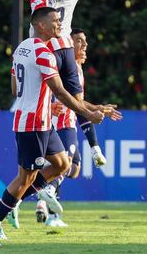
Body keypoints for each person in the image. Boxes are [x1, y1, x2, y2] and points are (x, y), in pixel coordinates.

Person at [0, 7, 116, 241]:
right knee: (25, 178)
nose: (60, 24)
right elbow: (59, 91)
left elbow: (15, 89)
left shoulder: (21, 48)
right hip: (32, 125)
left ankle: (15, 200)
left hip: (43, 122)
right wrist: (88, 112)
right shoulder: (43, 53)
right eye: (55, 20)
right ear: (41, 25)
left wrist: (39, 97)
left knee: (62, 164)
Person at [28, 0, 107, 169]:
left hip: (50, 50)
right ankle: (93, 143)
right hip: (67, 51)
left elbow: (41, 27)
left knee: (46, 95)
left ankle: (41, 148)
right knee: (76, 100)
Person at [39, 27, 106, 226]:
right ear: (69, 45)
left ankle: (49, 209)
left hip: (65, 123)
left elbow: (80, 104)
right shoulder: (68, 68)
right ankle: (46, 193)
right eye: (79, 41)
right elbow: (71, 102)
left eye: (85, 41)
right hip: (62, 123)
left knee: (74, 169)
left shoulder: (76, 68)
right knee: (64, 166)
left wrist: (96, 108)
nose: (84, 45)